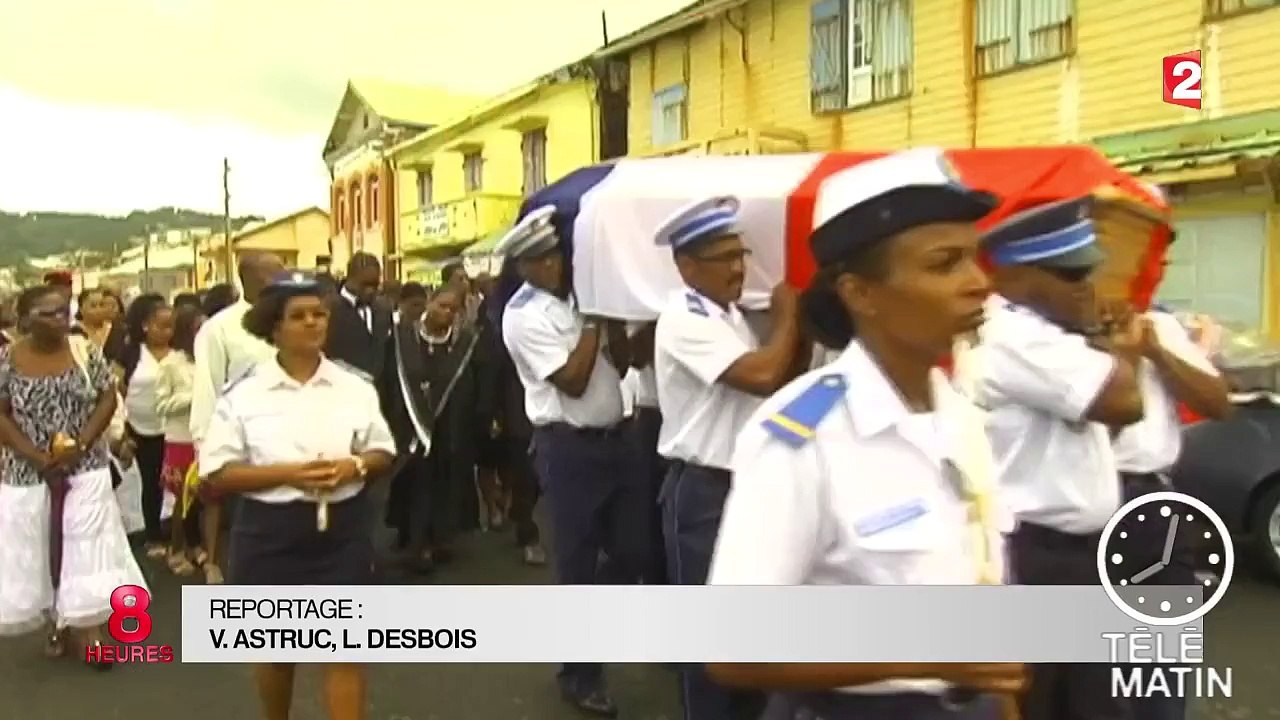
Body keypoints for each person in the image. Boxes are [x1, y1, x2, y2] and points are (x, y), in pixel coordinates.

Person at [705, 148, 1024, 719]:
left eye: (975, 259)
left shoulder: (961, 414)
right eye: (944, 263)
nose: (979, 283)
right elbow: (730, 651)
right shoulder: (801, 437)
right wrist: (928, 656)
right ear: (860, 293)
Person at [969, 196, 1145, 720]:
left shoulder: (1048, 337)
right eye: (1071, 277)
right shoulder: (1015, 337)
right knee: (1060, 702)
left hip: (1067, 552)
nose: (1087, 288)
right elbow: (1126, 402)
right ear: (1016, 278)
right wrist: (1123, 350)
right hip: (1041, 553)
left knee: (1089, 702)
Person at [200, 270, 395, 720]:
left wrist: (357, 465)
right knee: (275, 654)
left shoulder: (355, 386)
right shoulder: (243, 394)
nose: (313, 323)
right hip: (270, 534)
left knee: (345, 651)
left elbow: (382, 449)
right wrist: (290, 474)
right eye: (299, 316)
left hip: (341, 532)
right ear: (275, 328)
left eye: (319, 314)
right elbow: (218, 474)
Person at [650, 196, 808, 720]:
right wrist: (788, 313)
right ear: (687, 266)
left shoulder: (730, 316)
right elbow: (761, 375)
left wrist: (796, 327)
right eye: (724, 258)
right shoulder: (683, 319)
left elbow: (778, 382)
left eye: (741, 254)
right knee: (712, 648)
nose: (739, 267)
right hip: (703, 490)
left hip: (748, 487)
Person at [499, 205, 644, 717]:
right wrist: (592, 320)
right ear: (523, 267)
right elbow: (575, 380)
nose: (556, 266)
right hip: (568, 449)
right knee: (578, 564)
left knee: (636, 551)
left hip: (616, 440)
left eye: (558, 255)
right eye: (543, 260)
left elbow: (625, 364)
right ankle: (580, 675)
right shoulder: (522, 316)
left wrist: (615, 322)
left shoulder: (582, 300)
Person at [0, 284, 145, 667]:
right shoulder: (7, 359)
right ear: (25, 318)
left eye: (64, 311)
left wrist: (80, 444)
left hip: (84, 466)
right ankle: (57, 623)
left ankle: (89, 630)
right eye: (49, 313)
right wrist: (34, 455)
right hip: (27, 470)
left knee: (85, 543)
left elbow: (107, 398)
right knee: (43, 545)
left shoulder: (84, 351)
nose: (60, 320)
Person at [1109, 301, 1230, 720]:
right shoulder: (1027, 334)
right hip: (1074, 511)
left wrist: (1156, 350)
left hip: (1150, 503)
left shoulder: (1157, 325)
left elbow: (1217, 403)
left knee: (1161, 669)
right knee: (1087, 676)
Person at [384, 285, 494, 572]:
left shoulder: (465, 342)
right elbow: (389, 381)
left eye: (452, 309)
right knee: (414, 481)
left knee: (444, 483)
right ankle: (415, 542)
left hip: (450, 426)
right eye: (441, 305)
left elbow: (478, 383)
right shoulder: (402, 338)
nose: (446, 312)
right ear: (429, 303)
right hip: (412, 425)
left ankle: (438, 540)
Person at [189, 250, 284, 582]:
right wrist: (205, 451)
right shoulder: (220, 329)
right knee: (251, 527)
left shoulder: (295, 319)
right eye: (274, 276)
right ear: (250, 281)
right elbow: (207, 390)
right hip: (246, 443)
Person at [118, 294, 173, 558]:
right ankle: (153, 535)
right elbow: (115, 393)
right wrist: (124, 433)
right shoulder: (131, 353)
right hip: (142, 430)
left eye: (170, 326)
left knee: (181, 483)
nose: (165, 331)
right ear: (145, 326)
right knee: (152, 483)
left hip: (176, 430)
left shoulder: (182, 353)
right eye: (159, 325)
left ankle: (183, 535)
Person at [156, 304, 208, 579]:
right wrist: (193, 397)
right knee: (181, 499)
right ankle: (176, 550)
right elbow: (161, 404)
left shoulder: (207, 360)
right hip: (180, 438)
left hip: (204, 436)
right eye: (198, 329)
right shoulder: (170, 364)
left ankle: (195, 544)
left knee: (202, 496)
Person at [326, 252, 393, 384]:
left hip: (379, 395)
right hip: (342, 390)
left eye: (375, 285)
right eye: (365, 284)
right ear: (350, 278)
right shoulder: (329, 309)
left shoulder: (383, 310)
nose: (371, 290)